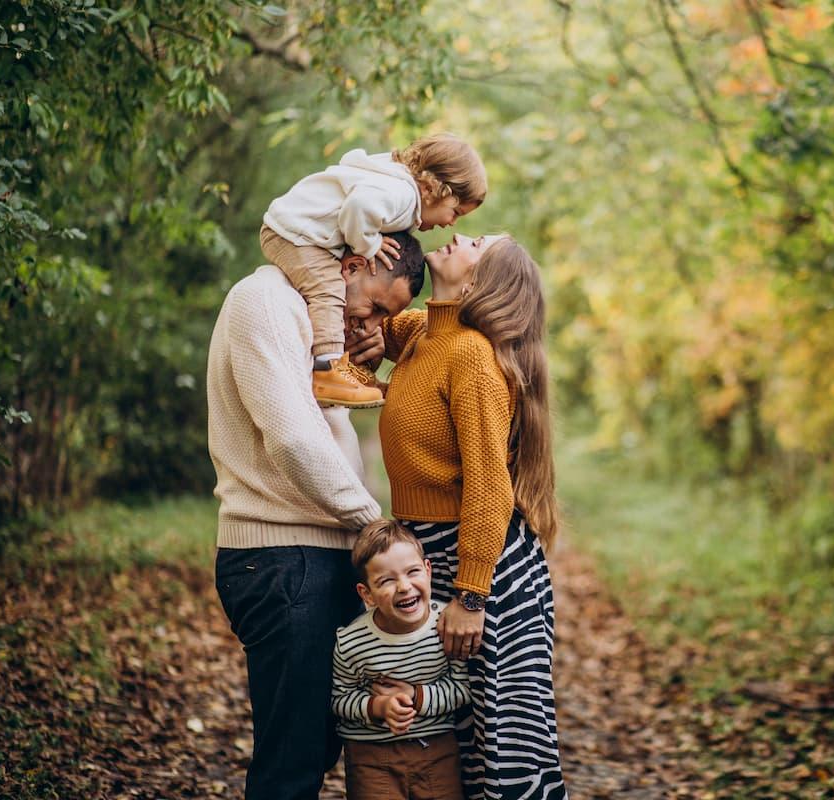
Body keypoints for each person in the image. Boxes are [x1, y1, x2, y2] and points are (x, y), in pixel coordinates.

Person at [207, 231, 426, 800]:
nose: (370, 321)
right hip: (282, 560)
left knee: (322, 744)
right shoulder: (265, 302)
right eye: (374, 305)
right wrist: (372, 523)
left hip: (316, 556)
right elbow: (292, 443)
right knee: (292, 762)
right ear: (352, 264)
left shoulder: (312, 326)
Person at [349, 232, 566, 799]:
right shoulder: (424, 333)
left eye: (477, 243)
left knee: (503, 748)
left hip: (487, 571)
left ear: (479, 282)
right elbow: (374, 321)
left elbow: (491, 484)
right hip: (433, 557)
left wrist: (472, 596)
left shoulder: (471, 356)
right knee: (452, 741)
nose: (458, 235)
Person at [260, 133, 487, 407]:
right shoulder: (402, 195)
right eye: (456, 212)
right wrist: (368, 245)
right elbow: (358, 205)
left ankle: (342, 370)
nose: (452, 223)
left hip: (296, 230)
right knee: (328, 292)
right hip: (294, 233)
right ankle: (327, 372)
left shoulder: (396, 187)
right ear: (430, 189)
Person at [331, 518, 470, 800]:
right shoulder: (351, 642)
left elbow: (463, 688)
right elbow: (339, 699)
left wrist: (417, 697)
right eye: (386, 581)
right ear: (367, 594)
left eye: (413, 572)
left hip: (437, 752)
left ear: (428, 571)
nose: (404, 587)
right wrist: (378, 706)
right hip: (371, 758)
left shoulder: (445, 626)